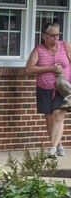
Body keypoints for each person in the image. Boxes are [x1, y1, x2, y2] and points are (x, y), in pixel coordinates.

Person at [26, 21, 71, 156]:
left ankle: (52, 148)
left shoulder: (65, 46)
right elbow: (29, 69)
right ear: (44, 36)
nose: (56, 38)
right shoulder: (38, 50)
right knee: (49, 118)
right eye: (52, 35)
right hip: (44, 88)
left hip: (63, 88)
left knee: (58, 116)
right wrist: (50, 68)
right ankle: (58, 144)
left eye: (57, 35)